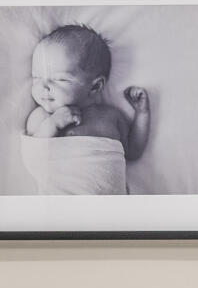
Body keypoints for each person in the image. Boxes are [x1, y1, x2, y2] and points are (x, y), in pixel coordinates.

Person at [18, 24, 151, 195]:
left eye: (59, 79)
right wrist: (53, 124)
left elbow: (133, 150)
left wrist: (142, 114)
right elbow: (33, 157)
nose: (43, 86)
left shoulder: (110, 116)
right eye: (36, 77)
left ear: (95, 87)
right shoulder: (42, 117)